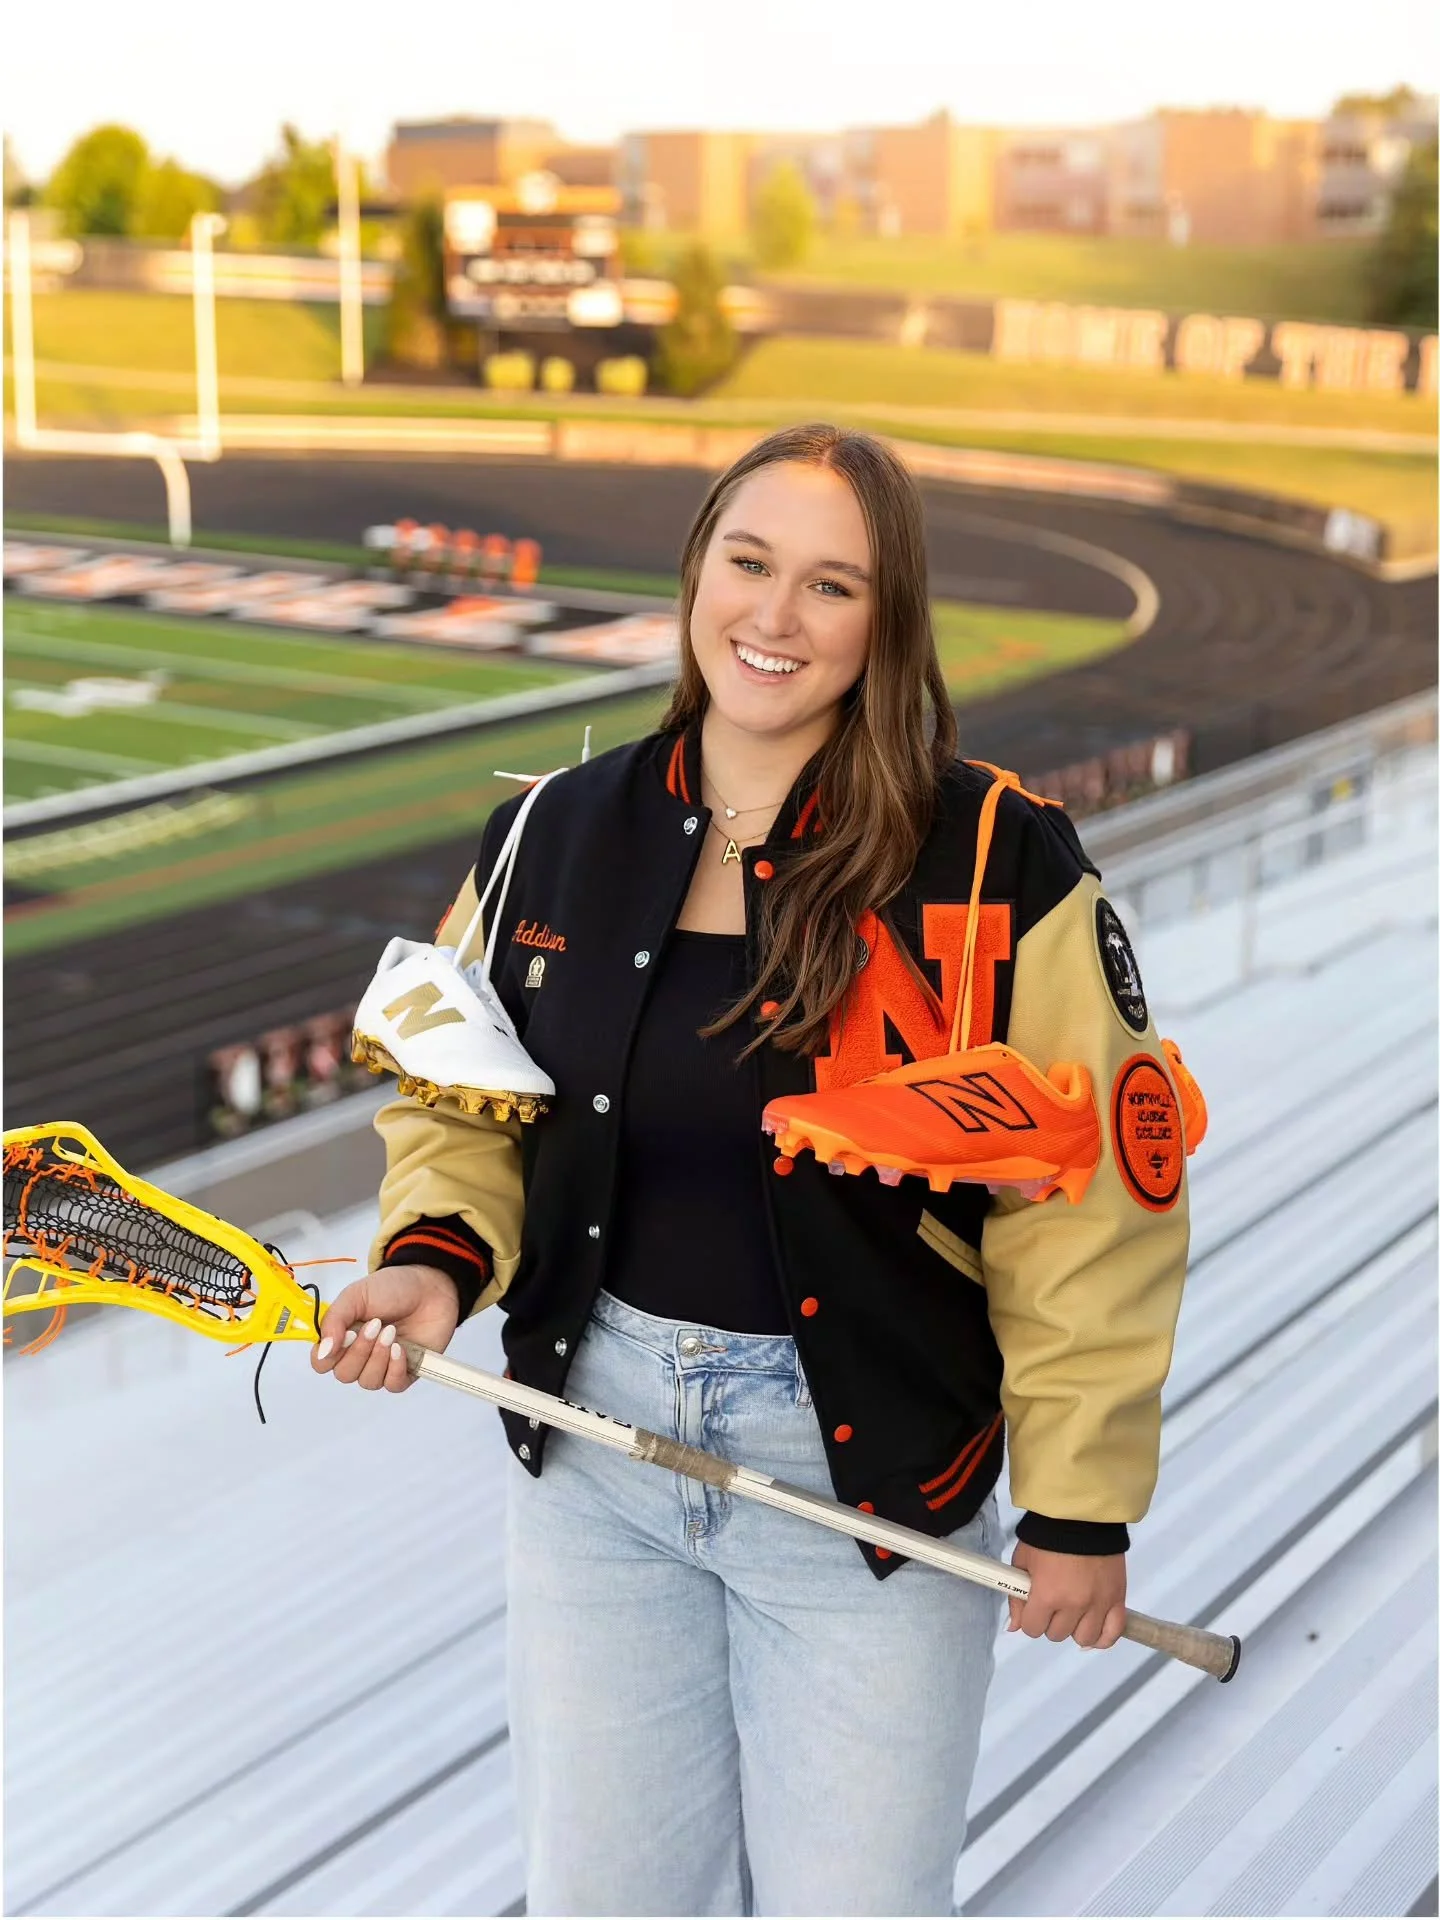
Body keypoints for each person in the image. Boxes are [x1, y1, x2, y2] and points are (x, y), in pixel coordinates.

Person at [313, 423, 1192, 1917]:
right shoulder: (545, 834)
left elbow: (1092, 1199)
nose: (776, 620)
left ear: (886, 621)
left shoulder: (998, 856)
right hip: (591, 1454)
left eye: (833, 586)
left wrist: (1079, 1509)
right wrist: (429, 1257)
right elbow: (463, 1102)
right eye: (751, 563)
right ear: (696, 570)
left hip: (866, 1494)